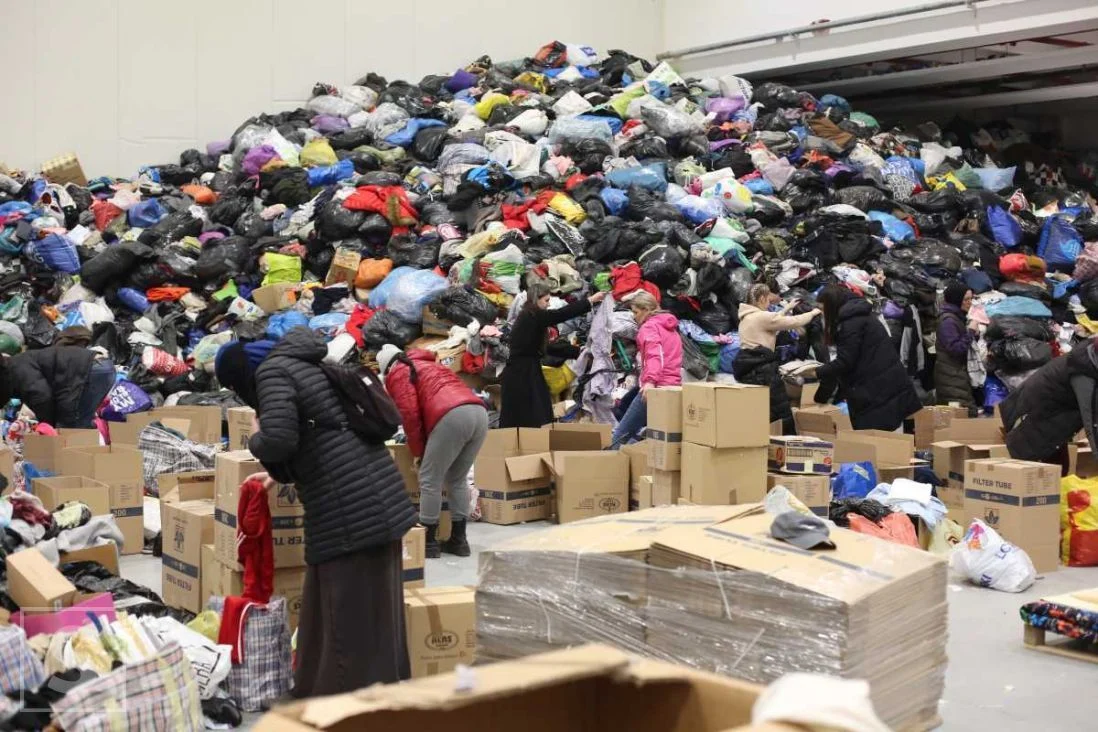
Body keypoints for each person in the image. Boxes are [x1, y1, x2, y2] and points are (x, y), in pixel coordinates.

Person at [216, 328, 416, 698]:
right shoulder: (308, 365)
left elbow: (278, 440)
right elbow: (318, 438)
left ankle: (348, 706)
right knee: (354, 612)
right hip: (375, 499)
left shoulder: (272, 373)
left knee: (345, 617)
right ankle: (337, 690)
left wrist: (254, 437)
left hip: (348, 512)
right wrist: (277, 475)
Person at [377, 344, 488, 559]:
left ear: (387, 366)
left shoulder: (399, 372)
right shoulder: (429, 364)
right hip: (478, 413)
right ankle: (459, 540)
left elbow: (409, 414)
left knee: (429, 479)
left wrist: (418, 452)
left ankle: (428, 543)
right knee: (457, 479)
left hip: (451, 415)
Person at [810, 285, 922, 431]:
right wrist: (820, 397)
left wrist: (815, 372)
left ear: (832, 305)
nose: (822, 314)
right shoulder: (859, 316)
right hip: (883, 387)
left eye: (823, 309)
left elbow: (845, 361)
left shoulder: (850, 323)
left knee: (880, 443)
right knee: (889, 441)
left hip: (877, 392)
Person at [499, 283, 605, 428]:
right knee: (534, 412)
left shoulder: (530, 316)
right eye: (546, 300)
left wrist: (577, 352)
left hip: (524, 370)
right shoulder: (532, 315)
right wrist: (589, 301)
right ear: (536, 299)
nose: (548, 305)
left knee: (534, 411)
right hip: (521, 373)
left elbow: (546, 347)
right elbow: (561, 314)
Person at [1000, 339, 1098, 472]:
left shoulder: (1088, 357)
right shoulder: (1083, 374)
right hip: (1035, 420)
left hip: (1051, 419)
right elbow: (1092, 423)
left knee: (1058, 472)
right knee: (1049, 476)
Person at [734, 284, 821, 433]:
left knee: (758, 410)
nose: (769, 304)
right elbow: (794, 322)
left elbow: (772, 320)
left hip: (748, 366)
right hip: (762, 369)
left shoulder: (746, 317)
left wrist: (787, 309)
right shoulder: (761, 317)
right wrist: (813, 313)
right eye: (768, 300)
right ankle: (788, 443)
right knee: (780, 411)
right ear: (761, 299)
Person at [610, 292, 682, 446]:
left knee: (620, 435)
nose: (634, 317)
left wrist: (649, 382)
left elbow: (654, 356)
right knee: (659, 439)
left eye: (635, 312)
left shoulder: (649, 327)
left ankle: (607, 467)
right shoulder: (671, 328)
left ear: (646, 310)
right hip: (673, 387)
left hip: (654, 388)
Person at [0, 338, 115, 429]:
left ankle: (83, 456)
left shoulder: (18, 370)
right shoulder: (17, 365)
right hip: (99, 368)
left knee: (69, 427)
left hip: (91, 371)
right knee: (77, 424)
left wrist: (48, 426)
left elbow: (42, 398)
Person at [935, 282, 977, 410]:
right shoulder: (948, 321)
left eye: (971, 298)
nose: (970, 302)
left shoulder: (958, 317)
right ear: (956, 300)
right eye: (966, 299)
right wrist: (970, 332)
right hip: (951, 377)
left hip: (956, 374)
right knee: (960, 415)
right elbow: (956, 349)